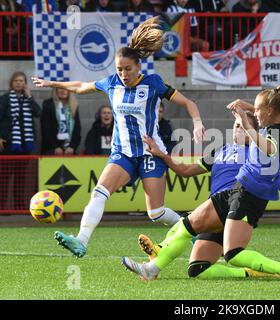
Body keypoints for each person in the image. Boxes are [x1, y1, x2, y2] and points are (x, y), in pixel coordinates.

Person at [121, 64, 280, 282]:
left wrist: (247, 121)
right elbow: (185, 170)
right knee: (191, 243)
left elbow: (270, 146)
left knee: (229, 251)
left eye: (257, 111)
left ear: (269, 112)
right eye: (240, 123)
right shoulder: (264, 132)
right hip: (237, 193)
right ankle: (153, 266)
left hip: (246, 194)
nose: (251, 117)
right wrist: (247, 111)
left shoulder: (268, 136)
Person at [32, 16, 205, 258]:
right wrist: (52, 82)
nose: (123, 74)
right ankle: (81, 240)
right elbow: (81, 86)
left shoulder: (154, 83)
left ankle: (193, 231)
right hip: (122, 153)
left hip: (150, 153)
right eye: (119, 69)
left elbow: (188, 102)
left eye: (127, 69)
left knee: (156, 213)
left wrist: (197, 123)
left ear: (138, 67)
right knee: (99, 192)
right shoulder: (111, 83)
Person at [138, 114, 280, 279]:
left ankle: (157, 256)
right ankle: (249, 273)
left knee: (186, 225)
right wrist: (161, 154)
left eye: (243, 126)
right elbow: (184, 171)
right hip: (216, 207)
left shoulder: (258, 154)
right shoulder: (219, 152)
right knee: (197, 270)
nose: (238, 129)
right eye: (236, 126)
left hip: (235, 202)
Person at [0, 71, 41, 210]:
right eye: (16, 80)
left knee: (21, 178)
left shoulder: (27, 99)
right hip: (8, 144)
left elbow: (38, 113)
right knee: (5, 178)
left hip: (25, 145)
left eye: (21, 81)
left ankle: (19, 206)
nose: (19, 83)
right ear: (12, 83)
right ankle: (3, 207)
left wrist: (30, 97)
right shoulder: (4, 99)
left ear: (25, 84)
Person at [40, 88, 81, 155]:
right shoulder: (48, 105)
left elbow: (77, 129)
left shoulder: (74, 106)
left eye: (65, 89)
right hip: (52, 150)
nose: (63, 91)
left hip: (69, 150)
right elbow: (46, 129)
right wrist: (55, 147)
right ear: (55, 91)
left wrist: (72, 146)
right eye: (60, 88)